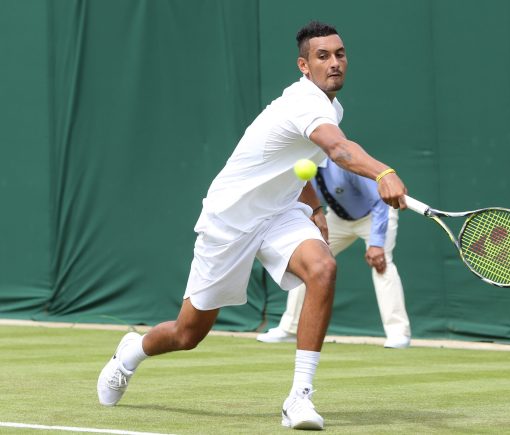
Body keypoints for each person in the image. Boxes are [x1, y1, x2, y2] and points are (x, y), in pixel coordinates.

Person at [97, 21, 408, 431]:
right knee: (187, 333)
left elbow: (305, 167)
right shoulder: (304, 103)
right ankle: (132, 352)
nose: (334, 63)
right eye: (322, 56)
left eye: (339, 54)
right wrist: (382, 172)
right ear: (303, 65)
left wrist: (314, 210)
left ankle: (299, 398)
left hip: (279, 214)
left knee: (323, 268)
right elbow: (337, 149)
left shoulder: (331, 109)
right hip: (231, 220)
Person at [257, 158, 411, 349]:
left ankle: (398, 333)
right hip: (338, 219)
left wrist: (377, 244)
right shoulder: (300, 167)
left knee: (382, 264)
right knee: (308, 261)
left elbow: (379, 201)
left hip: (375, 215)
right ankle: (290, 329)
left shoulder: (345, 165)